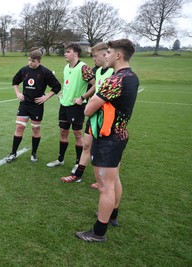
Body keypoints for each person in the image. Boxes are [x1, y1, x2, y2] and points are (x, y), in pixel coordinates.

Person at [75, 39, 139, 242]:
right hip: (120, 134)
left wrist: (89, 106)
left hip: (108, 137)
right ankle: (112, 216)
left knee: (105, 186)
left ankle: (98, 232)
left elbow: (88, 108)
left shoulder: (116, 79)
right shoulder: (132, 77)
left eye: (109, 52)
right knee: (114, 179)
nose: (106, 55)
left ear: (118, 55)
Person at [60, 42, 114, 185]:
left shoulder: (114, 72)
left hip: (107, 117)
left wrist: (83, 98)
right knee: (87, 145)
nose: (93, 59)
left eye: (95, 56)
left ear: (105, 55)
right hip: (94, 114)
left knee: (103, 148)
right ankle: (77, 175)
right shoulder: (97, 71)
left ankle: (104, 180)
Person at [5, 50, 61, 163]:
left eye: (33, 61)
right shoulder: (24, 70)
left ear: (39, 61)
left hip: (37, 106)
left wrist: (46, 97)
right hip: (24, 104)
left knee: (35, 129)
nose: (30, 62)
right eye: (29, 60)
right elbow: (15, 81)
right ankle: (13, 153)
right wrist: (18, 93)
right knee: (19, 127)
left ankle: (34, 153)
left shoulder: (45, 72)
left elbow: (57, 86)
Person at [47, 43, 95, 171]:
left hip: (76, 106)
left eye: (68, 51)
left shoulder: (84, 68)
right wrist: (64, 94)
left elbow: (96, 85)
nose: (65, 53)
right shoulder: (66, 67)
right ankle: (60, 159)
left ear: (76, 53)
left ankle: (78, 163)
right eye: (65, 51)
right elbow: (68, 84)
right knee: (63, 132)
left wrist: (82, 98)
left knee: (78, 134)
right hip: (64, 105)